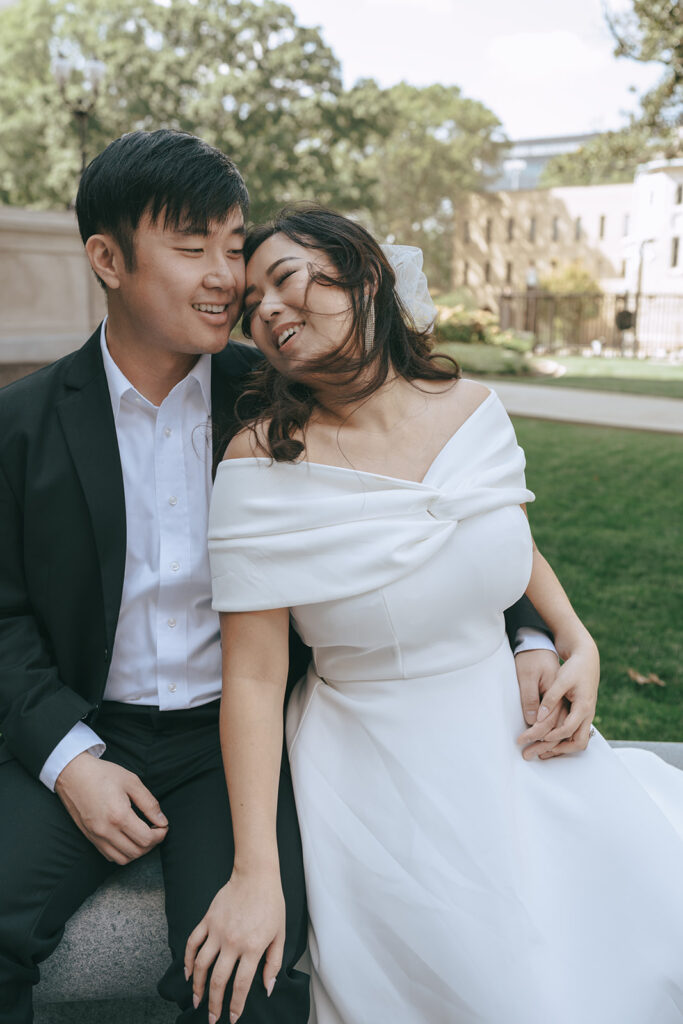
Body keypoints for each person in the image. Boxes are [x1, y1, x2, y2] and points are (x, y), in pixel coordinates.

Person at [0, 133, 567, 1023]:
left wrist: (529, 634)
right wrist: (71, 761)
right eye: (194, 250)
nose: (228, 277)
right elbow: (2, 621)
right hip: (86, 726)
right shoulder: (21, 424)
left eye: (235, 246)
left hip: (233, 742)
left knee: (245, 981)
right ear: (107, 259)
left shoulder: (284, 393)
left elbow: (421, 511)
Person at [196, 206, 683, 1024]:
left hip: (517, 736)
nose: (269, 311)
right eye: (253, 304)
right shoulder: (259, 462)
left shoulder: (472, 406)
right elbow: (251, 675)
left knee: (639, 924)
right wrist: (256, 872)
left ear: (366, 277)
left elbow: (504, 533)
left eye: (287, 281)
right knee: (508, 991)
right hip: (382, 773)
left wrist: (574, 637)